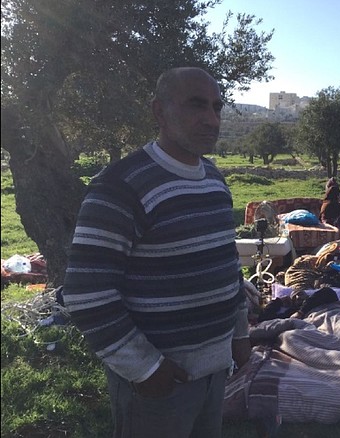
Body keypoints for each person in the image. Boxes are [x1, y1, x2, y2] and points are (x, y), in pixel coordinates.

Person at [62, 67, 250, 438]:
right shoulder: (121, 186)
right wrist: (145, 369)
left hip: (215, 372)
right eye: (197, 105)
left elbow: (227, 265)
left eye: (217, 107)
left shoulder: (214, 180)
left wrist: (240, 334)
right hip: (159, 384)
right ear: (159, 112)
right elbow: (86, 292)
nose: (212, 119)